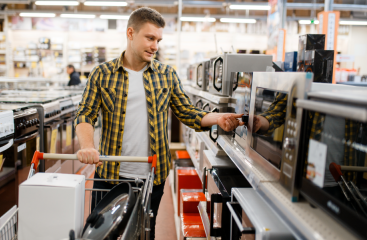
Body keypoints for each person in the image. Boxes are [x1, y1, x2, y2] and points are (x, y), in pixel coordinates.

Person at [74, 7, 243, 240]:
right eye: (150, 38)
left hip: (153, 176)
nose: (155, 46)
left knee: (145, 233)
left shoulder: (167, 74)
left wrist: (218, 118)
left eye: (158, 40)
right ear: (130, 33)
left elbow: (187, 112)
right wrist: (87, 146)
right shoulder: (102, 74)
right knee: (103, 236)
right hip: (110, 174)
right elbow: (85, 114)